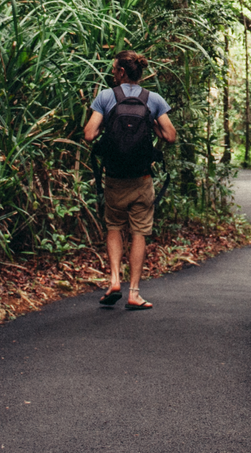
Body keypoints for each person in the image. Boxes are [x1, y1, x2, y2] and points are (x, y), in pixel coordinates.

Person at [83, 50, 177, 311]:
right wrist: (152, 124)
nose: (112, 72)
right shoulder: (152, 99)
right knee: (139, 233)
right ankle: (134, 293)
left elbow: (89, 134)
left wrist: (107, 125)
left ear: (122, 72)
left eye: (114, 69)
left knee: (114, 227)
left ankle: (114, 280)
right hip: (142, 179)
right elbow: (170, 135)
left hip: (114, 178)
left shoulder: (106, 97)